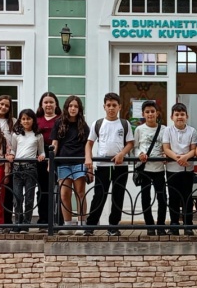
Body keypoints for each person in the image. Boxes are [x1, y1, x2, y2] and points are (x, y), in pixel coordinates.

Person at [85, 92, 135, 236]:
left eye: (114, 105)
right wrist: (88, 158)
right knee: (99, 195)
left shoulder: (125, 124)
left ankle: (113, 226)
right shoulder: (98, 123)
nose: (111, 108)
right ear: (104, 107)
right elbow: (89, 144)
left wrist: (121, 154)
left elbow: (130, 143)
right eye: (109, 105)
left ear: (119, 106)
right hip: (102, 165)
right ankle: (90, 226)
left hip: (120, 166)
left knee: (118, 196)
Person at [52, 96, 89, 230]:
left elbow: (87, 145)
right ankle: (67, 224)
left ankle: (82, 223)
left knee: (80, 192)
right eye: (71, 106)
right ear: (67, 107)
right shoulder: (59, 123)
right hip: (63, 162)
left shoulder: (83, 125)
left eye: (76, 106)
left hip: (79, 161)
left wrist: (88, 162)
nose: (73, 108)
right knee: (64, 194)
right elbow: (55, 143)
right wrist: (51, 161)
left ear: (79, 109)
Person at [162, 102, 197, 235]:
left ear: (186, 116)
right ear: (172, 117)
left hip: (187, 170)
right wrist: (178, 158)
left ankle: (188, 224)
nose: (179, 117)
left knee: (187, 197)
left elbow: (194, 149)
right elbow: (166, 148)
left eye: (182, 114)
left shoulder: (192, 131)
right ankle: (174, 224)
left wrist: (185, 157)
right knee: (173, 198)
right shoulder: (167, 130)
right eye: (176, 114)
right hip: (172, 169)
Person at [133, 100, 168, 235]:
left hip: (159, 168)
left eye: (152, 111)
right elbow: (135, 147)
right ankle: (149, 226)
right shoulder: (139, 129)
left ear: (157, 113)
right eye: (147, 112)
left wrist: (165, 153)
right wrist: (139, 154)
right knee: (145, 198)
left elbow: (166, 146)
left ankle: (161, 225)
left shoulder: (164, 129)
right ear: (143, 114)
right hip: (145, 169)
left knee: (162, 197)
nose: (150, 114)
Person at [11, 109, 43, 232]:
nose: (26, 121)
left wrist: (42, 156)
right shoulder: (16, 134)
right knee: (17, 198)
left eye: (28, 118)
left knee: (29, 199)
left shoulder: (37, 135)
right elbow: (13, 149)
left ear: (33, 120)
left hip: (31, 168)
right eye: (23, 119)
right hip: (17, 168)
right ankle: (17, 223)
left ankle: (26, 224)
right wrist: (11, 155)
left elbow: (41, 151)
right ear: (20, 120)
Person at [35, 92, 61, 227]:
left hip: (58, 156)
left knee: (60, 189)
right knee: (42, 189)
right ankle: (43, 219)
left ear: (56, 104)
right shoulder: (36, 119)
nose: (48, 105)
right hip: (40, 158)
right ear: (41, 104)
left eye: (51, 102)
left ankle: (58, 220)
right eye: (46, 102)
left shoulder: (61, 119)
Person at [0, 95, 16, 227]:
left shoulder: (13, 121)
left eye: (7, 105)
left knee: (8, 193)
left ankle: (7, 222)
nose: (3, 107)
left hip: (9, 161)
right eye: (1, 104)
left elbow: (17, 140)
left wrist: (12, 153)